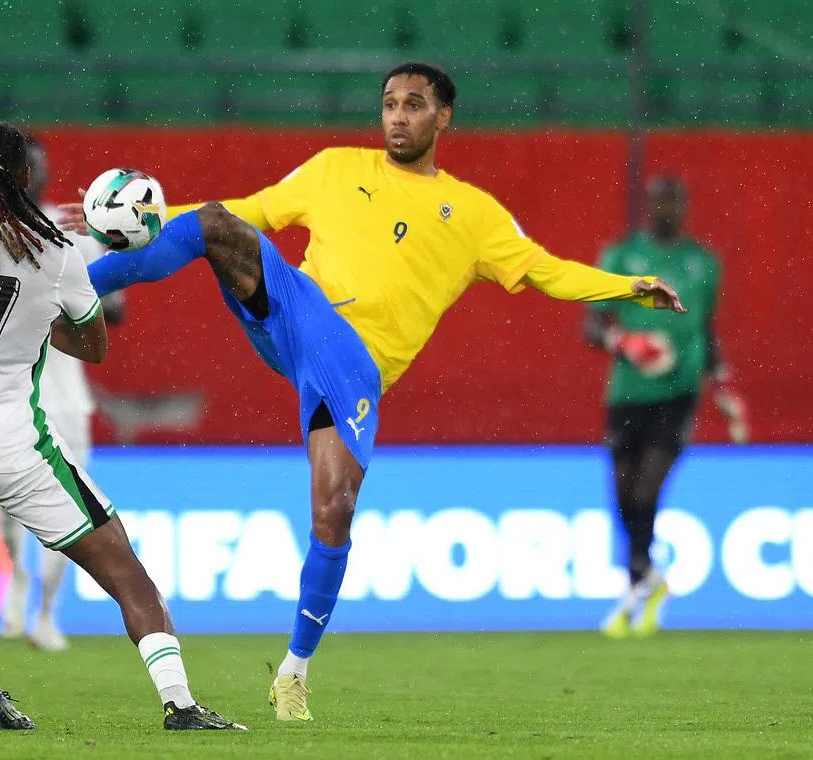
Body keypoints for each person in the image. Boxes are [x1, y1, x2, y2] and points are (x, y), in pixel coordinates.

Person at [61, 62, 686, 723]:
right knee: (217, 224)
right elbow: (250, 212)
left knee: (335, 512)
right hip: (297, 312)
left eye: (414, 105)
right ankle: (70, 283)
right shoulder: (335, 167)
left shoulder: (474, 215)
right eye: (389, 103)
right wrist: (146, 221)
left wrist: (627, 286)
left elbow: (546, 272)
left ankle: (294, 674)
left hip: (352, 368)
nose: (397, 115)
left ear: (443, 117)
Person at [0, 121, 244, 732]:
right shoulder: (53, 250)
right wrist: (35, 326)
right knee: (126, 572)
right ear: (25, 176)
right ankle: (179, 704)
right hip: (12, 444)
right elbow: (94, 345)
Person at [585, 176, 748, 639]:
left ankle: (639, 585)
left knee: (644, 493)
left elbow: (707, 331)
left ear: (685, 208)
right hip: (626, 395)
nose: (665, 210)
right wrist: (627, 341)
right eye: (658, 202)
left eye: (673, 203)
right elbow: (592, 326)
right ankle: (648, 581)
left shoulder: (703, 263)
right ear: (647, 207)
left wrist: (723, 390)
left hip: (678, 395)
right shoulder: (621, 257)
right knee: (622, 496)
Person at [0, 134, 126, 652]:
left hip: (66, 397)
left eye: (42, 167)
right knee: (8, 511)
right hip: (9, 394)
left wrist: (71, 294)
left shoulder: (71, 232)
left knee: (71, 505)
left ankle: (47, 614)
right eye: (29, 167)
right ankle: (17, 580)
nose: (38, 175)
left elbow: (113, 310)